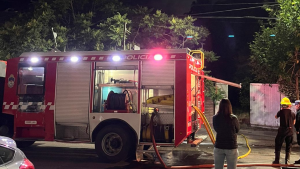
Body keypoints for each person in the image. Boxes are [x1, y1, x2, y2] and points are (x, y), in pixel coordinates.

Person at [213, 98, 240, 169]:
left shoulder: (215, 118)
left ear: (220, 106)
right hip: (231, 146)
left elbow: (216, 129)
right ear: (229, 106)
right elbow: (237, 130)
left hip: (219, 146)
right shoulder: (233, 118)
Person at [273, 97, 295, 164]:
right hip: (290, 131)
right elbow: (294, 122)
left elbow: (276, 116)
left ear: (282, 105)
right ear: (289, 105)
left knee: (278, 145)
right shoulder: (292, 113)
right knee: (288, 146)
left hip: (282, 130)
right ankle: (287, 161)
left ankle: (277, 160)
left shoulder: (281, 112)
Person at [294, 100, 300, 164]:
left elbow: (298, 121)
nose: (295, 106)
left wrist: (297, 130)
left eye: (296, 105)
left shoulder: (299, 112)